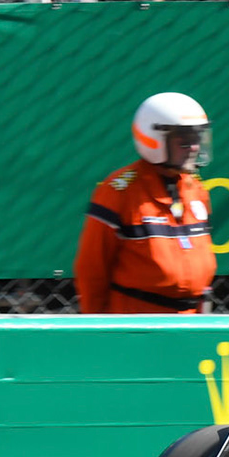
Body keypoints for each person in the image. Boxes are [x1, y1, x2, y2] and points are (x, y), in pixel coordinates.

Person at [73, 92, 217, 314]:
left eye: (197, 137)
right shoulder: (119, 192)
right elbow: (92, 270)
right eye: (183, 139)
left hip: (192, 323)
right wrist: (98, 330)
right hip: (136, 324)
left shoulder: (196, 189)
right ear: (154, 139)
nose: (194, 147)